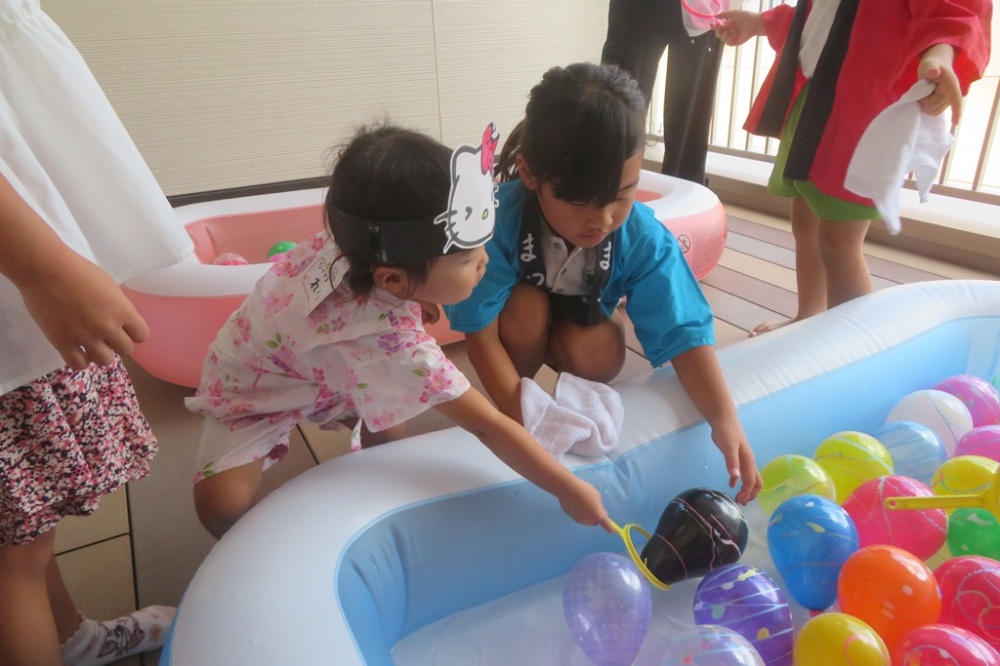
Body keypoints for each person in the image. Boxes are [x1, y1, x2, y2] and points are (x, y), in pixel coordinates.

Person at [186, 122, 612, 539]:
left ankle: (374, 491)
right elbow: (487, 426)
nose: (485, 260)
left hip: (331, 361)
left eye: (482, 244)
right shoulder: (397, 349)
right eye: (467, 259)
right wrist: (567, 487)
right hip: (257, 387)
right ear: (390, 279)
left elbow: (365, 312)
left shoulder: (359, 240)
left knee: (391, 428)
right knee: (221, 507)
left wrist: (415, 294)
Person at [443, 63, 762, 505]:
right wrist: (527, 426)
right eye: (580, 201)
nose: (603, 219)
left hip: (583, 324)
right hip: (520, 321)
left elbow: (683, 330)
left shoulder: (641, 235)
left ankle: (569, 390)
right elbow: (480, 333)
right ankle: (525, 392)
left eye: (621, 195)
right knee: (525, 308)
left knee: (601, 351)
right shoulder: (496, 222)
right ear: (530, 174)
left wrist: (724, 419)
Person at [0, 2, 192, 664]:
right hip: (15, 281)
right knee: (13, 562)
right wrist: (43, 269)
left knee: (23, 533)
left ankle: (72, 639)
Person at [713, 1, 991, 335]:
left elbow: (953, 11)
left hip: (863, 106)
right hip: (813, 95)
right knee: (805, 217)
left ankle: (852, 344)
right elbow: (819, 18)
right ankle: (809, 315)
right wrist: (759, 22)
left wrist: (941, 54)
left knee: (839, 242)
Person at [601, 0, 724, 184]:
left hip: (702, 6)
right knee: (618, 102)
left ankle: (685, 190)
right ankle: (605, 185)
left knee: (692, 111)